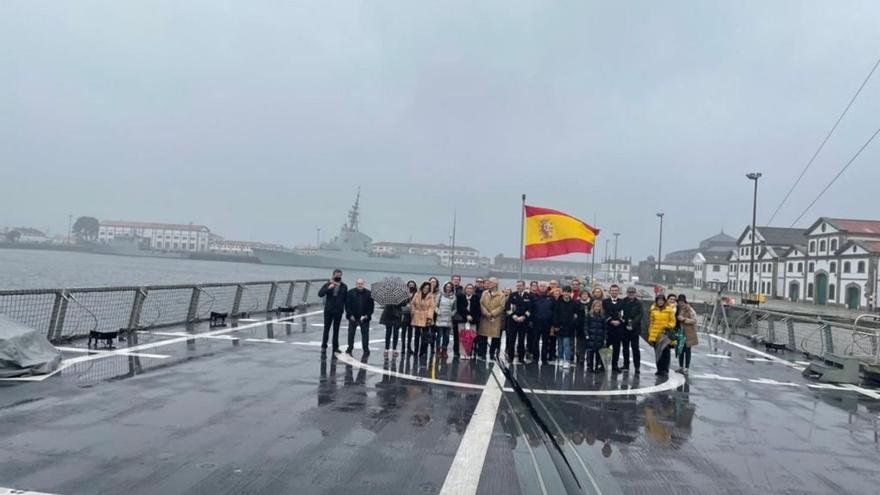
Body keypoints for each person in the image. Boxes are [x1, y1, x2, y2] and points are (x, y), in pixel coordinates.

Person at [317, 269, 348, 354]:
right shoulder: (328, 284)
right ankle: (324, 346)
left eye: (339, 275)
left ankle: (335, 347)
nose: (338, 277)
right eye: (336, 275)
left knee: (336, 330)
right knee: (326, 329)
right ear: (333, 275)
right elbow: (320, 294)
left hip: (338, 310)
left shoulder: (344, 286)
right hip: (329, 310)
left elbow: (346, 299)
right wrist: (328, 288)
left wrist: (347, 311)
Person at [552, 286, 581, 370]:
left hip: (569, 327)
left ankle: (567, 360)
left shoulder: (574, 303)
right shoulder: (558, 302)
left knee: (566, 344)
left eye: (568, 292)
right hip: (559, 326)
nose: (566, 294)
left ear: (570, 293)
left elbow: (576, 315)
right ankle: (560, 359)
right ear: (562, 293)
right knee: (560, 344)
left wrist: (573, 324)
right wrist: (556, 325)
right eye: (565, 292)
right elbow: (555, 315)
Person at [648, 293, 677, 376]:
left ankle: (665, 369)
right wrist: (650, 334)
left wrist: (668, 326)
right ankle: (659, 369)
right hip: (655, 334)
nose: (660, 302)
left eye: (661, 300)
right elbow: (651, 322)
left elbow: (673, 321)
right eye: (658, 300)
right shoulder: (653, 309)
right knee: (658, 353)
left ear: (664, 301)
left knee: (665, 353)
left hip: (665, 334)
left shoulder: (669, 309)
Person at [478, 278, 507, 360]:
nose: (489, 284)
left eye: (491, 282)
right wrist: (485, 312)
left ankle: (492, 354)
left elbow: (502, 306)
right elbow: (481, 303)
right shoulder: (484, 293)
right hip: (485, 317)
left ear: (495, 284)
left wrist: (492, 313)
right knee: (483, 337)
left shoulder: (501, 294)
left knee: (495, 338)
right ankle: (482, 353)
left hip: (495, 318)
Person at [345, 278, 374, 356]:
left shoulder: (369, 293)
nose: (360, 285)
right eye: (358, 283)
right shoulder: (350, 293)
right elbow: (347, 306)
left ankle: (365, 349)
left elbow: (371, 307)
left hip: (364, 318)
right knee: (351, 334)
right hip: (353, 317)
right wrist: (350, 315)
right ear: (356, 284)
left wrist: (366, 316)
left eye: (361, 283)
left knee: (365, 334)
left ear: (364, 284)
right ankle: (350, 347)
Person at [504, 280, 532, 364]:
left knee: (521, 340)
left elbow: (530, 309)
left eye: (520, 285)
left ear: (524, 286)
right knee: (511, 340)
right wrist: (513, 316)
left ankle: (521, 358)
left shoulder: (528, 296)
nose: (518, 287)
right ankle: (510, 357)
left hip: (523, 321)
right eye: (517, 286)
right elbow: (508, 308)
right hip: (513, 321)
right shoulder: (512, 295)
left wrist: (524, 317)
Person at [530, 282, 555, 365]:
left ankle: (544, 359)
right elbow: (530, 310)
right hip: (536, 322)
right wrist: (531, 321)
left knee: (545, 342)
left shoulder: (551, 297)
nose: (542, 287)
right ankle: (535, 358)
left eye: (544, 286)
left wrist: (552, 323)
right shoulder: (533, 297)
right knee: (535, 341)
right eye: (541, 286)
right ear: (538, 287)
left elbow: (554, 310)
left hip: (547, 323)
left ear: (547, 287)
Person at [621, 286, 644, 374]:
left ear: (635, 294)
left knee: (635, 348)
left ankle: (637, 366)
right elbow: (620, 312)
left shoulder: (639, 303)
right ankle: (626, 365)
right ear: (627, 293)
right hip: (624, 328)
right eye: (629, 292)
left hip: (635, 329)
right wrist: (625, 322)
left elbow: (640, 315)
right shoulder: (623, 301)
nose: (631, 294)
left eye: (632, 293)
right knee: (625, 348)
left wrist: (632, 323)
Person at [603, 284, 626, 372]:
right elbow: (604, 313)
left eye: (616, 290)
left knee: (617, 348)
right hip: (608, 327)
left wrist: (619, 321)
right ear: (610, 291)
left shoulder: (622, 302)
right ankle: (604, 365)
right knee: (606, 347)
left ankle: (615, 365)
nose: (614, 292)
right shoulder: (605, 301)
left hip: (619, 328)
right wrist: (611, 321)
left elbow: (625, 313)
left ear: (618, 291)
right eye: (612, 290)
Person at [410, 282, 436, 358]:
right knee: (417, 335)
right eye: (425, 288)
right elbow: (412, 304)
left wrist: (429, 317)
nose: (426, 290)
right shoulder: (417, 294)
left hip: (426, 317)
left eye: (428, 288)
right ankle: (416, 350)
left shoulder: (431, 296)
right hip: (417, 316)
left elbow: (432, 307)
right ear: (422, 287)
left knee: (425, 336)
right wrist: (414, 311)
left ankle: (422, 351)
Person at [456, 283, 481, 359]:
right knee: (462, 337)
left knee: (471, 337)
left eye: (471, 288)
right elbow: (459, 308)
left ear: (473, 290)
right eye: (468, 288)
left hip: (473, 320)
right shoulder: (461, 297)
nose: (469, 290)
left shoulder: (476, 297)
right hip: (463, 319)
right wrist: (466, 315)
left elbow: (477, 309)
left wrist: (472, 316)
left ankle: (469, 353)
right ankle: (462, 353)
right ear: (465, 289)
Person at [676, 294, 698, 374]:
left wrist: (684, 319)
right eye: (679, 301)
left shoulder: (690, 309)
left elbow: (695, 320)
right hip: (680, 332)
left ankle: (687, 368)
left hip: (688, 333)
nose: (681, 303)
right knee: (680, 350)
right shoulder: (677, 309)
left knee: (687, 350)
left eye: (682, 301)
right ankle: (681, 366)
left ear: (685, 301)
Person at [435, 282, 457, 359]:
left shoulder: (454, 297)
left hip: (448, 319)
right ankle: (438, 350)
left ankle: (444, 350)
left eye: (450, 287)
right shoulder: (440, 295)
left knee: (446, 336)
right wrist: (438, 312)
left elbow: (455, 308)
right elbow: (435, 305)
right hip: (440, 318)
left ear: (452, 288)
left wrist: (452, 314)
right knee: (439, 335)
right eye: (447, 287)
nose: (448, 288)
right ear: (444, 287)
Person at [584, 300, 607, 372]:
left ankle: (596, 366)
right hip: (591, 336)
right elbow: (586, 325)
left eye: (598, 306)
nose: (597, 308)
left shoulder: (603, 316)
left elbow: (605, 328)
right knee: (591, 352)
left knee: (598, 353)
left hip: (599, 337)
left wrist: (605, 337)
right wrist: (586, 334)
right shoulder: (589, 315)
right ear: (593, 307)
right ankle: (590, 366)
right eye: (596, 306)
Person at [401, 280, 418, 355]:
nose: (411, 286)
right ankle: (403, 347)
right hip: (404, 314)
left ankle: (409, 347)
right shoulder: (403, 294)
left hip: (412, 315)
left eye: (412, 285)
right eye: (409, 285)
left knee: (410, 333)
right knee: (403, 332)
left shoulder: (417, 294)